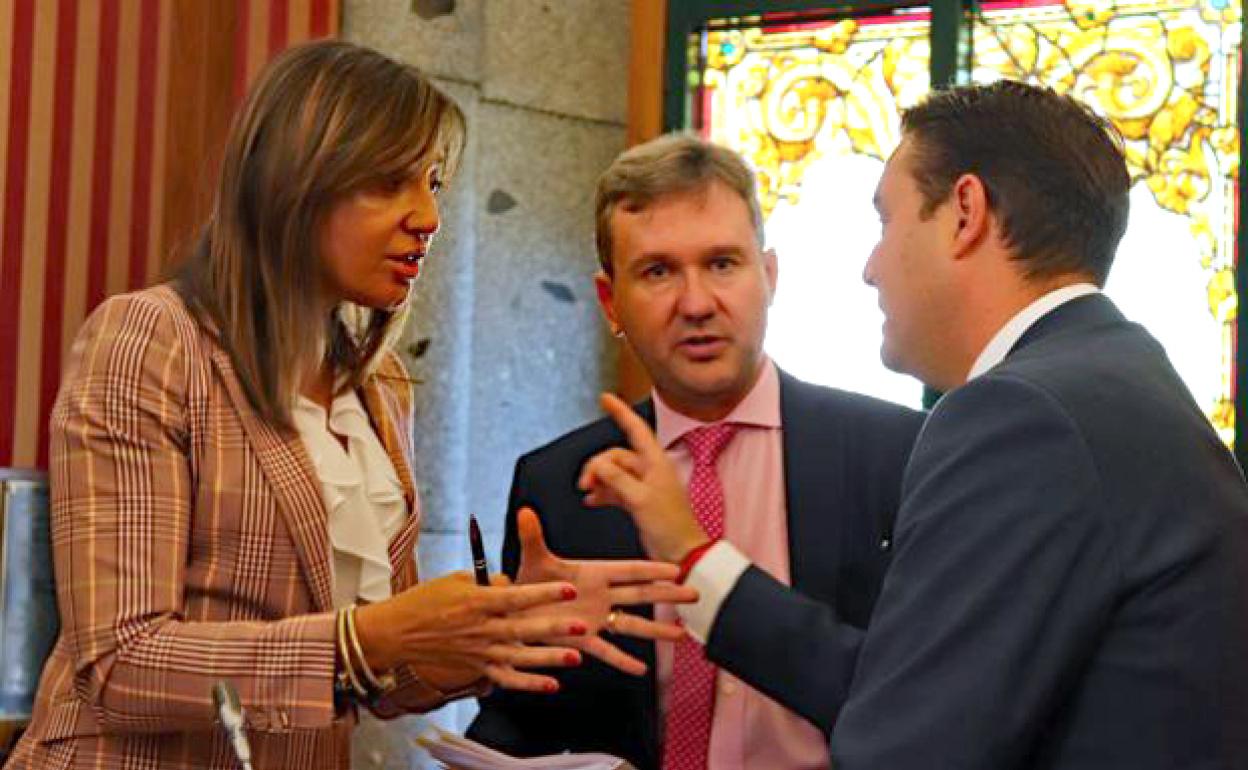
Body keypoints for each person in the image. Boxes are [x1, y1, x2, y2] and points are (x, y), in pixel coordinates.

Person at [6, 41, 690, 770]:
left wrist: (499, 621)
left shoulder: (380, 388)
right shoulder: (154, 340)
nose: (427, 216)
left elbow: (383, 683)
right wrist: (367, 640)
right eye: (392, 182)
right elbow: (120, 661)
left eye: (431, 183)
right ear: (296, 183)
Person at [580, 81, 1248, 768]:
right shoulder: (1119, 374)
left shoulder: (1016, 418)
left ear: (964, 212)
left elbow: (907, 747)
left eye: (886, 221)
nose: (870, 269)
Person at [468, 133, 923, 769]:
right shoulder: (557, 483)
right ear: (610, 303)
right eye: (658, 272)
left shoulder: (895, 455)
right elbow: (526, 716)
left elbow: (916, 696)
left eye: (722, 264)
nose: (697, 304)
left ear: (768, 277)